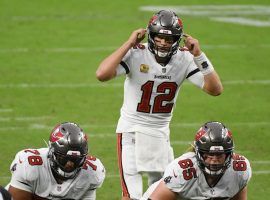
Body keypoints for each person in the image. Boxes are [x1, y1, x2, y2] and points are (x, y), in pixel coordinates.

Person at [96, 10, 223, 200]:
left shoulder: (185, 58)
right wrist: (129, 43)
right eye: (158, 37)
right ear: (151, 35)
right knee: (131, 196)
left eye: (169, 39)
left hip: (160, 133)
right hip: (131, 130)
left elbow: (215, 89)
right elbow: (102, 74)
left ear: (177, 40)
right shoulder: (137, 53)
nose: (163, 42)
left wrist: (199, 55)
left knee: (166, 193)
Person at [141, 121, 252, 200]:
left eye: (219, 154)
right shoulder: (183, 171)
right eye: (209, 155)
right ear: (199, 153)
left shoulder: (239, 170)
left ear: (229, 154)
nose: (214, 160)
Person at [7, 122, 105, 200]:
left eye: (75, 159)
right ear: (52, 152)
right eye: (64, 158)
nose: (69, 164)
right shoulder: (30, 165)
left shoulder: (91, 172)